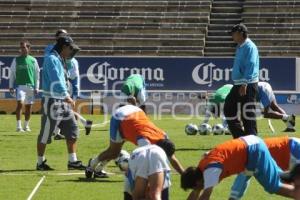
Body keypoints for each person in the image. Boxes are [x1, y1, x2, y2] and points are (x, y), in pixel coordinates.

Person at [180, 135, 295, 200]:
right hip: (251, 145)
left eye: (195, 187)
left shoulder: (210, 171)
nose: (196, 189)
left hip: (253, 151)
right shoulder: (202, 168)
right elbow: (196, 191)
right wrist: (196, 191)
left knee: (273, 186)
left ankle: (296, 193)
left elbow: (205, 196)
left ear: (197, 182)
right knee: (282, 178)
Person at [85, 104, 184, 178]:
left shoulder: (164, 136)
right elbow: (141, 162)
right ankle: (91, 165)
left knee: (116, 152)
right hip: (120, 117)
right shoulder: (145, 142)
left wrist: (183, 174)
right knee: (113, 152)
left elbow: (172, 158)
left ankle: (98, 170)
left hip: (135, 112)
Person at [36, 36, 85, 171]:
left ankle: (73, 161)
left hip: (62, 101)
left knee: (72, 129)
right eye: (70, 49)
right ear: (64, 47)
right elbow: (55, 80)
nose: (71, 52)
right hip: (52, 100)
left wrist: (66, 96)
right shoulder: (51, 59)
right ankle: (40, 162)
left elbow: (66, 78)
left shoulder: (61, 59)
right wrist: (66, 96)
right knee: (46, 132)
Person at [203, 82, 296, 133]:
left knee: (266, 114)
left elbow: (241, 111)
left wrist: (229, 126)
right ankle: (290, 126)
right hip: (265, 85)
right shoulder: (235, 89)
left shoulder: (236, 94)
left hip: (262, 90)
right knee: (275, 107)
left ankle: (287, 117)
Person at [230, 136, 300, 199]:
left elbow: (244, 176)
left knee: (274, 185)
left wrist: (233, 197)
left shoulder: (250, 152)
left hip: (291, 149)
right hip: (290, 147)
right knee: (276, 184)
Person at [224, 23, 259, 138]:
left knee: (248, 113)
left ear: (240, 33)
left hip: (247, 84)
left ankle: (252, 140)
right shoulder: (240, 46)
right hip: (238, 83)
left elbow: (251, 64)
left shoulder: (250, 46)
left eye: (233, 34)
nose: (232, 37)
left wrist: (245, 82)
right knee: (229, 109)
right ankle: (240, 137)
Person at [9, 40, 40, 132]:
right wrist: (11, 86)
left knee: (28, 107)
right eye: (21, 47)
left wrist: (37, 87)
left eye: (24, 47)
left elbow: (36, 75)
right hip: (20, 87)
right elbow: (12, 74)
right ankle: (18, 127)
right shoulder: (16, 60)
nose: (22, 49)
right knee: (20, 104)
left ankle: (26, 126)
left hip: (30, 86)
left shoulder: (33, 60)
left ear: (28, 48)